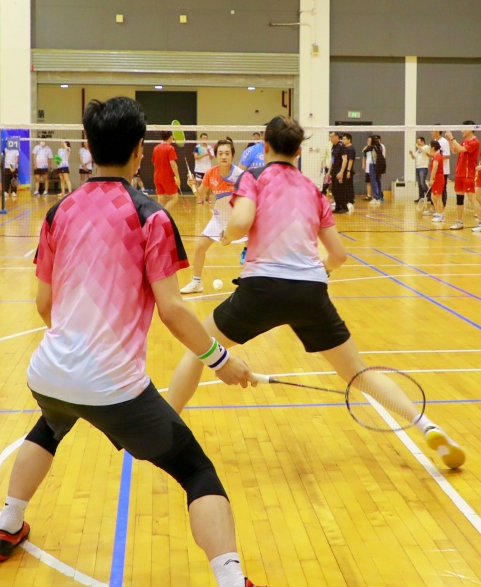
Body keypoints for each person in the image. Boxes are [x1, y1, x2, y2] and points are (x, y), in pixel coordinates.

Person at [0, 97, 300, 587]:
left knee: (50, 424)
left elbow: (44, 303)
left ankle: (6, 524)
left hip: (48, 372)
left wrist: (75, 346)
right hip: (114, 387)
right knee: (195, 470)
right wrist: (220, 359)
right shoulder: (150, 216)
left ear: (88, 147)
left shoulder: (58, 211)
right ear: (138, 152)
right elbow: (172, 308)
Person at [166, 115, 465, 472]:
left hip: (261, 288)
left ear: (265, 147)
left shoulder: (253, 178)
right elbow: (338, 255)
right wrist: (316, 274)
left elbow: (241, 222)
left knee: (198, 351)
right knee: (358, 372)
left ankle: (163, 435)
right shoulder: (312, 190)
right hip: (311, 291)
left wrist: (228, 236)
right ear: (299, 152)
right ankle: (426, 425)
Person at [179, 137, 241, 293]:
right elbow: (200, 194)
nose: (224, 156)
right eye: (220, 153)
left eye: (227, 153)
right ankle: (196, 282)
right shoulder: (210, 173)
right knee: (200, 247)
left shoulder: (240, 175)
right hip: (219, 219)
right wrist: (193, 186)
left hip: (238, 220)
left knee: (253, 251)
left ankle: (253, 283)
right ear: (216, 155)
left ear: (232, 155)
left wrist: (234, 229)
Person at [449, 125, 479, 229]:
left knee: (472, 199)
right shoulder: (464, 141)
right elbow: (454, 150)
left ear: (470, 129)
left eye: (463, 129)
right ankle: (459, 222)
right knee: (459, 199)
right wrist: (449, 140)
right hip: (459, 174)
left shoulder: (475, 142)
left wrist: (452, 138)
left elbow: (461, 149)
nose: (462, 131)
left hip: (467, 174)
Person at [151, 129, 182, 208]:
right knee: (174, 198)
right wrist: (178, 178)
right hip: (167, 177)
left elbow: (154, 163)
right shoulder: (170, 148)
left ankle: (160, 215)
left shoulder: (155, 148)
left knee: (161, 200)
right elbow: (172, 163)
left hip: (157, 177)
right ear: (171, 136)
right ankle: (164, 214)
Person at [428, 137, 448, 222]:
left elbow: (435, 168)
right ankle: (438, 212)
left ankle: (441, 215)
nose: (429, 148)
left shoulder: (437, 155)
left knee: (438, 197)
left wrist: (431, 179)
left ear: (433, 147)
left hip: (438, 178)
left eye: (430, 146)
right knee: (433, 197)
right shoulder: (435, 156)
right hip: (436, 178)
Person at [363, 135, 385, 205]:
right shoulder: (381, 146)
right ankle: (379, 197)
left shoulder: (372, 146)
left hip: (373, 164)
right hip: (380, 164)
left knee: (373, 181)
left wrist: (368, 146)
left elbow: (364, 151)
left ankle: (376, 198)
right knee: (378, 181)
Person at [193, 134, 214, 203]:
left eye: (206, 138)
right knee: (199, 183)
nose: (204, 139)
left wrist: (209, 153)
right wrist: (205, 154)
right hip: (199, 169)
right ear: (201, 139)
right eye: (203, 138)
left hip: (208, 169)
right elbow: (196, 157)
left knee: (209, 184)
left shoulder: (210, 148)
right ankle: (200, 198)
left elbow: (211, 158)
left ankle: (208, 197)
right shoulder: (197, 147)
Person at [411, 136, 431, 205]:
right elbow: (414, 157)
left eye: (418, 141)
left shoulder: (426, 147)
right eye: (417, 141)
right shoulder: (418, 150)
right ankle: (421, 197)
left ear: (423, 142)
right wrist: (411, 154)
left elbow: (423, 149)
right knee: (419, 184)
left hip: (423, 167)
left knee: (422, 183)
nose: (417, 142)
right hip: (417, 168)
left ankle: (429, 195)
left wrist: (417, 146)